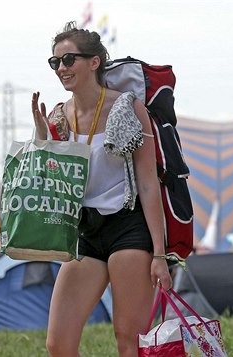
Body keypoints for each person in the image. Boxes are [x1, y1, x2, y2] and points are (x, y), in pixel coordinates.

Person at [31, 21, 172, 356]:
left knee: (129, 340)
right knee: (58, 344)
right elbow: (50, 182)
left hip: (128, 226)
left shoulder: (127, 107)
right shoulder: (58, 115)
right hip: (85, 230)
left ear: (94, 62)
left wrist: (159, 254)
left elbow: (149, 184)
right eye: (55, 63)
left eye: (68, 60)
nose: (61, 69)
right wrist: (42, 138)